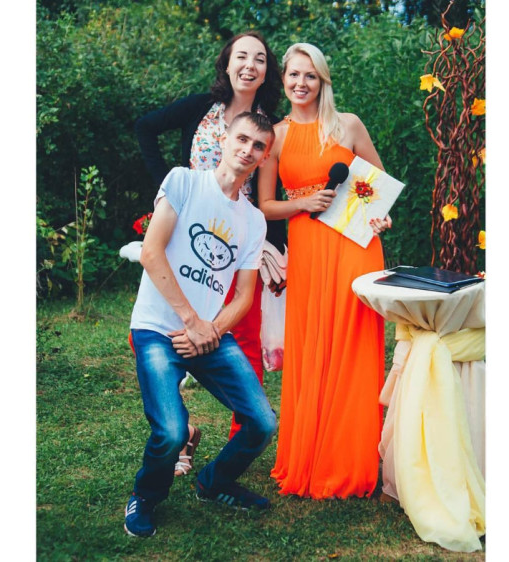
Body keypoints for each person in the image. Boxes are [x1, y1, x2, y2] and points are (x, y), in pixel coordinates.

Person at [135, 32, 286, 475]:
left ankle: (245, 431)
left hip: (239, 239)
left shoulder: (272, 127)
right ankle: (180, 432)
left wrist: (275, 244)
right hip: (184, 227)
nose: (250, 65)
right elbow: (145, 127)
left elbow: (271, 189)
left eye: (260, 59)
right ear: (228, 62)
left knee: (243, 334)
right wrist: (167, 185)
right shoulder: (202, 107)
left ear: (267, 71)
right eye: (242, 56)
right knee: (154, 330)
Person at [125, 112, 278, 538]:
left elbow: (244, 296)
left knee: (262, 422)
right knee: (172, 430)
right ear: (224, 139)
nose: (247, 150)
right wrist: (192, 321)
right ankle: (146, 496)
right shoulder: (183, 182)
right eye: (242, 139)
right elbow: (151, 252)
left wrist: (210, 331)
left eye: (258, 146)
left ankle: (215, 482)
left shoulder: (254, 220)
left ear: (265, 157)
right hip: (157, 328)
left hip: (209, 335)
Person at [257, 43, 392, 500]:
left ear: (322, 81)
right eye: (294, 74)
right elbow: (265, 205)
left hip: (356, 245)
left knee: (352, 342)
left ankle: (351, 458)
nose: (301, 83)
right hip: (309, 247)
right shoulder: (275, 136)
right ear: (284, 80)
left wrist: (381, 216)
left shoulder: (348, 125)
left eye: (310, 75)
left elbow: (378, 187)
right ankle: (313, 453)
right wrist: (302, 203)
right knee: (314, 341)